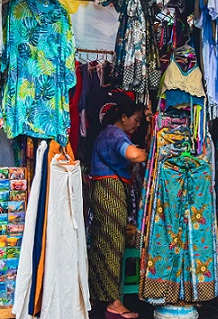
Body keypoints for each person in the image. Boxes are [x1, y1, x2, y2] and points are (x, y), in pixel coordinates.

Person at [88, 101, 147, 319]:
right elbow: (133, 155)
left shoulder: (107, 134)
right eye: (136, 119)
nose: (137, 125)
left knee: (101, 243)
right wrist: (149, 153)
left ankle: (98, 296)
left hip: (103, 190)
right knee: (113, 244)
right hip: (109, 190)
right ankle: (114, 302)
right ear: (123, 117)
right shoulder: (115, 134)